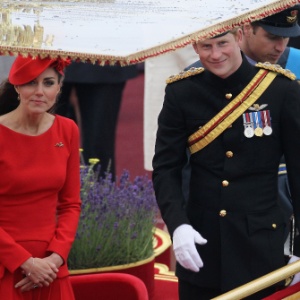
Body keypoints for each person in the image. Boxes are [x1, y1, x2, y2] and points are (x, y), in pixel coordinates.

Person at [152, 27, 300, 299]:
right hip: (201, 245)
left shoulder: (281, 90)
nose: (215, 54)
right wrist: (179, 225)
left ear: (240, 37)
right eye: (206, 47)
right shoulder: (181, 92)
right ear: (195, 48)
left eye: (223, 43)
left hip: (259, 246)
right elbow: (166, 169)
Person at [186, 5, 300, 254]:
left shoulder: (296, 66)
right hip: (221, 215)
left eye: (285, 36)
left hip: (282, 206)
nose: (280, 47)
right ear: (246, 30)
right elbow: (183, 159)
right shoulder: (198, 75)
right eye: (271, 37)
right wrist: (183, 222)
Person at [0, 55, 81, 299]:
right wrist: (24, 262)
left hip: (50, 269)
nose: (39, 92)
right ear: (16, 86)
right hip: (6, 264)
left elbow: (71, 204)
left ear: (59, 87)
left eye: (47, 83)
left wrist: (55, 258)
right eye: (30, 83)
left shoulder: (67, 130)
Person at [56, 62, 139, 179]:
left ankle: (99, 194)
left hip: (103, 58)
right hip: (46, 54)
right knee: (42, 142)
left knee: (99, 149)